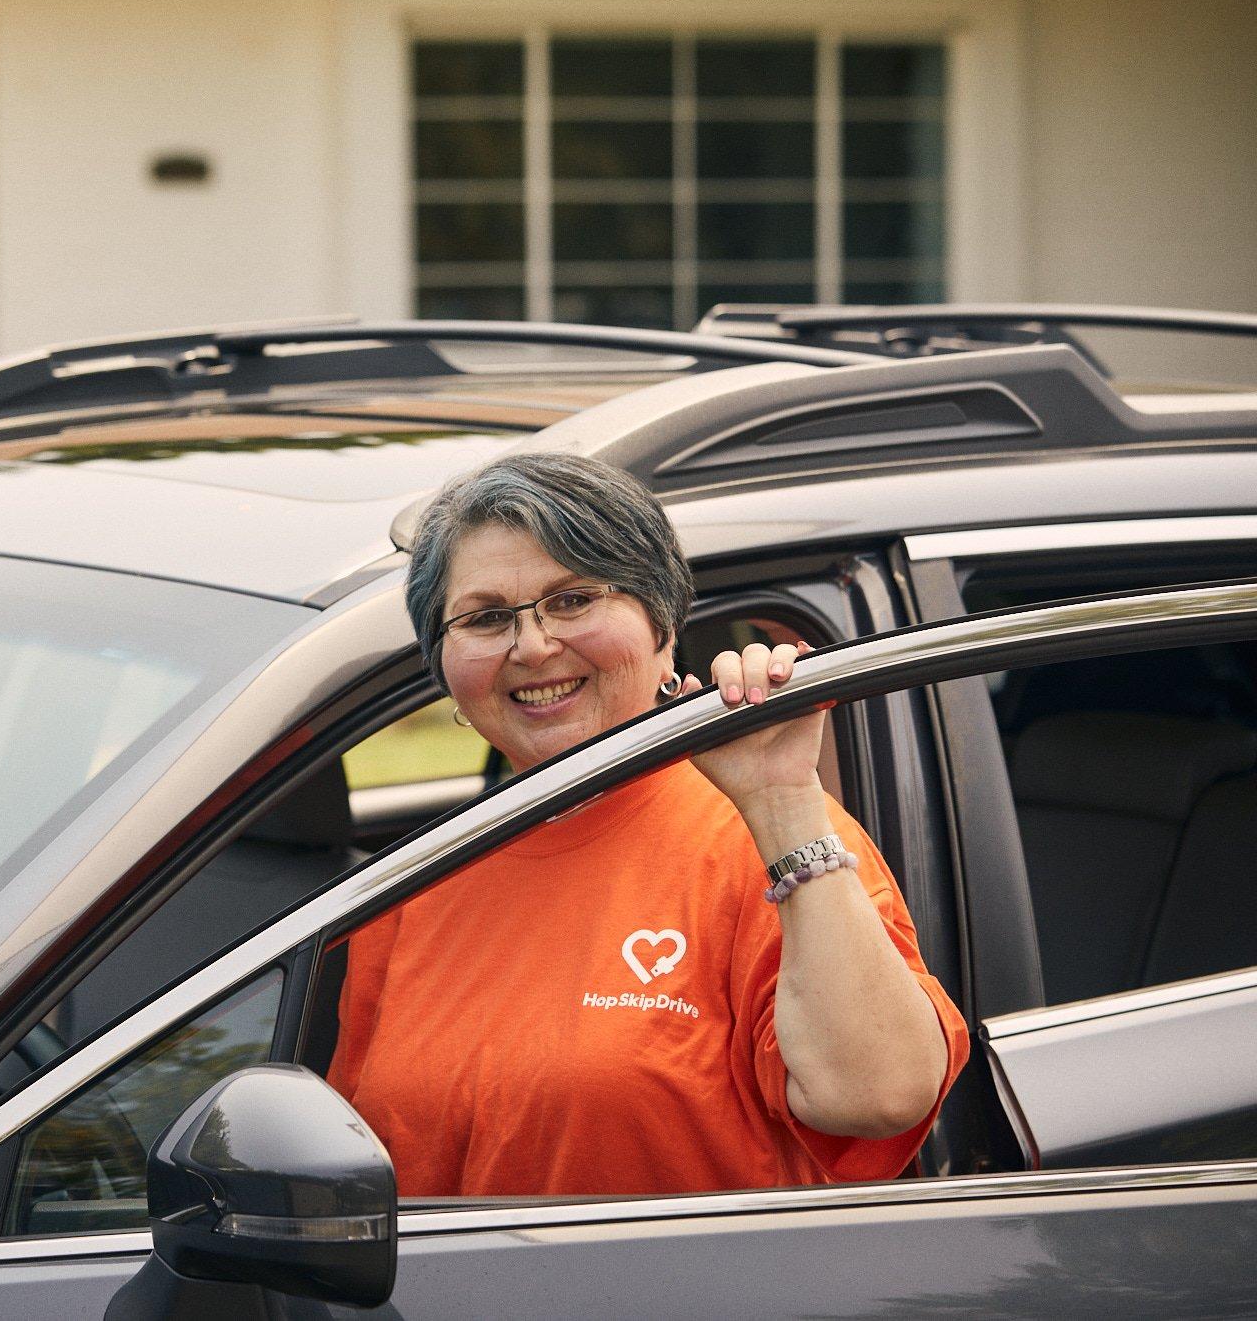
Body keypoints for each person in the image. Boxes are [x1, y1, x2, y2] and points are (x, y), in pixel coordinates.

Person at [327, 451, 969, 1197]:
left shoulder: (764, 838)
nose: (532, 646)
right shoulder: (412, 880)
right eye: (487, 617)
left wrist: (783, 802)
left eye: (573, 600)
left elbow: (882, 1094)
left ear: (662, 626)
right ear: (444, 666)